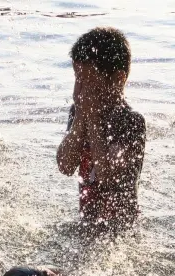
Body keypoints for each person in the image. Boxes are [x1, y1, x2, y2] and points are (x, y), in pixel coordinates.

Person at [57, 28, 146, 232]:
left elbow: (107, 176)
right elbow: (65, 166)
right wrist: (82, 116)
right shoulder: (78, 112)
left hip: (120, 230)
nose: (79, 91)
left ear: (118, 79)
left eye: (88, 82)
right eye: (77, 79)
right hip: (87, 223)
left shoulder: (131, 121)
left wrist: (93, 119)